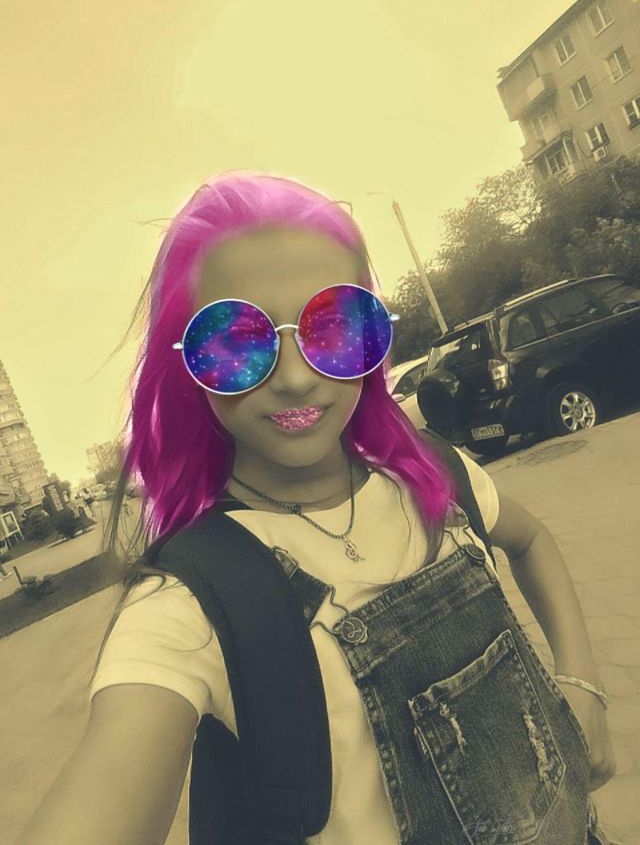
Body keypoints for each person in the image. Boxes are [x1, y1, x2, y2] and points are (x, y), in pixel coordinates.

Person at [18, 172, 616, 844]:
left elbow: (531, 540)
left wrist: (584, 683)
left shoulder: (427, 472)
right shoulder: (192, 602)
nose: (297, 376)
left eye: (332, 326)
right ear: (184, 362)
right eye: (236, 342)